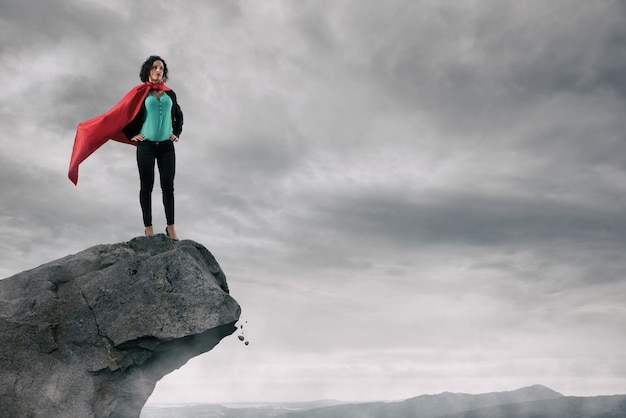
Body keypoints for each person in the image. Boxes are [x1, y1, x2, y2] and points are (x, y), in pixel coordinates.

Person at [68, 55, 184, 240]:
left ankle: (171, 227)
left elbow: (178, 114)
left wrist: (176, 132)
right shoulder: (140, 93)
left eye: (161, 68)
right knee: (146, 186)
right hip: (145, 146)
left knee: (168, 187)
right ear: (148, 70)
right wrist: (132, 135)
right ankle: (148, 227)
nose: (158, 71)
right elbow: (123, 114)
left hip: (166, 147)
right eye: (154, 67)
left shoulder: (170, 93)